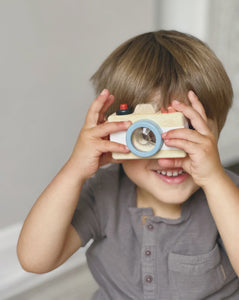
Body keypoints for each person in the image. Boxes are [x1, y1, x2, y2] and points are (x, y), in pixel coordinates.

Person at [17, 30, 239, 299]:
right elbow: (35, 260)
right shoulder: (104, 192)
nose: (169, 157)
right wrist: (74, 170)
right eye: (147, 136)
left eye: (189, 132)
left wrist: (215, 182)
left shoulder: (228, 194)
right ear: (114, 132)